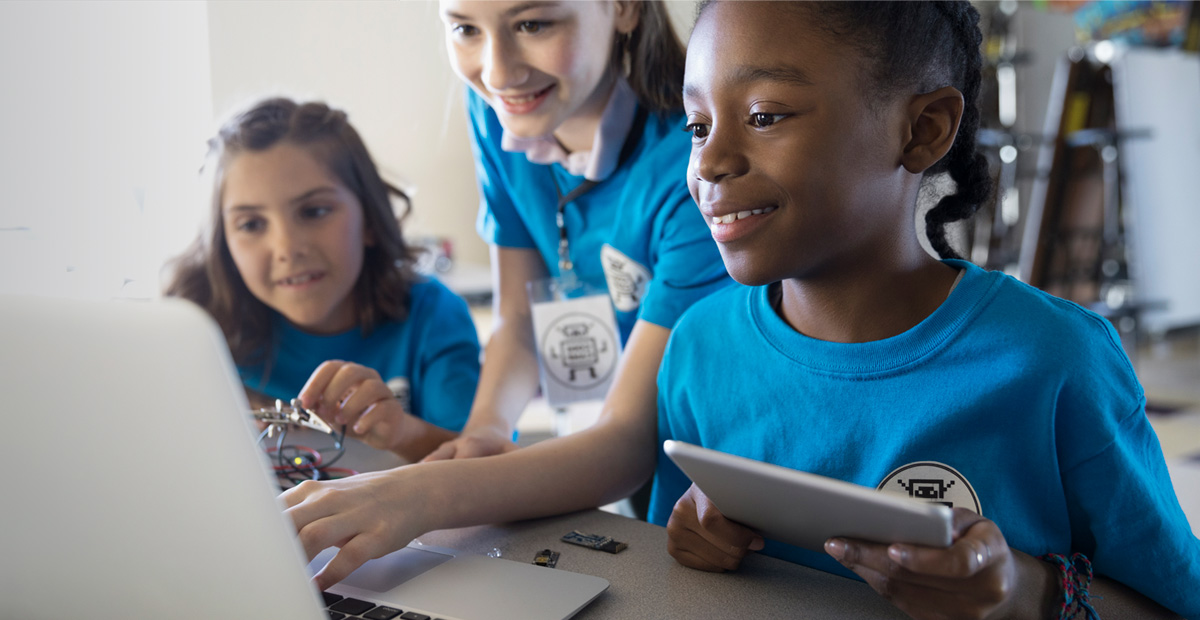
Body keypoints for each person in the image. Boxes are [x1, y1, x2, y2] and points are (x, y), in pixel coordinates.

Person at [653, 2, 1200, 619]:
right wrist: (691, 540)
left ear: (923, 130)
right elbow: (672, 569)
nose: (710, 162)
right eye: (697, 126)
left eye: (764, 116)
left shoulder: (1055, 363)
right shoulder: (699, 350)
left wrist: (1026, 592)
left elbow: (1176, 604)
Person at [420, 0, 730, 463]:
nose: (498, 73)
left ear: (624, 8)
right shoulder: (500, 110)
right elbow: (520, 318)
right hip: (595, 446)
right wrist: (485, 430)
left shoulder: (695, 158)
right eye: (465, 29)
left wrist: (433, 493)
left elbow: (627, 441)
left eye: (532, 24)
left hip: (700, 459)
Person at [165, 97, 481, 463]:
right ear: (224, 244)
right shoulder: (196, 334)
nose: (287, 248)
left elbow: (486, 468)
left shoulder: (433, 317)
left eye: (314, 211)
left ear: (369, 220)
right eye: (251, 224)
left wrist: (402, 432)